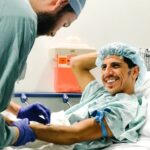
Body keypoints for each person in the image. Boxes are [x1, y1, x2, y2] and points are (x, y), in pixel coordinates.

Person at [28, 42, 148, 150]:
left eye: (115, 66)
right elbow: (76, 63)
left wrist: (23, 130)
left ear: (135, 71)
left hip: (60, 138)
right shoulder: (100, 93)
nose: (107, 73)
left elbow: (74, 134)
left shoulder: (125, 108)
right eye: (104, 66)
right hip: (50, 128)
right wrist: (113, 51)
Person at [0, 0, 86, 149]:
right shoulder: (22, 17)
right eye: (65, 24)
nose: (53, 34)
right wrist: (16, 133)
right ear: (59, 2)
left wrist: (17, 110)